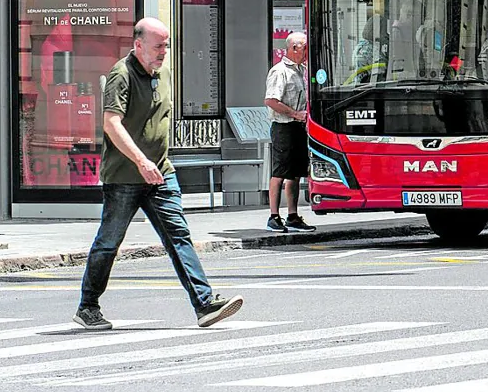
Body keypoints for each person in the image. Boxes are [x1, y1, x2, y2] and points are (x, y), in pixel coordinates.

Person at [75, 17, 243, 331]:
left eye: (166, 45)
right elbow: (111, 123)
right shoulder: (121, 74)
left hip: (161, 173)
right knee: (108, 242)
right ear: (138, 45)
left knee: (179, 237)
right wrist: (140, 161)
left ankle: (204, 304)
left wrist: (155, 163)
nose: (164, 51)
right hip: (125, 176)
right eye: (158, 46)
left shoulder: (163, 73)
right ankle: (88, 306)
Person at [264, 31, 315, 233]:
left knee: (295, 174)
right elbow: (271, 100)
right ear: (294, 48)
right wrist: (295, 114)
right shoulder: (280, 71)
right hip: (284, 127)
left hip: (298, 127)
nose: (306, 52)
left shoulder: (300, 70)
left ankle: (292, 216)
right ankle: (273, 216)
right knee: (280, 171)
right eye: (304, 48)